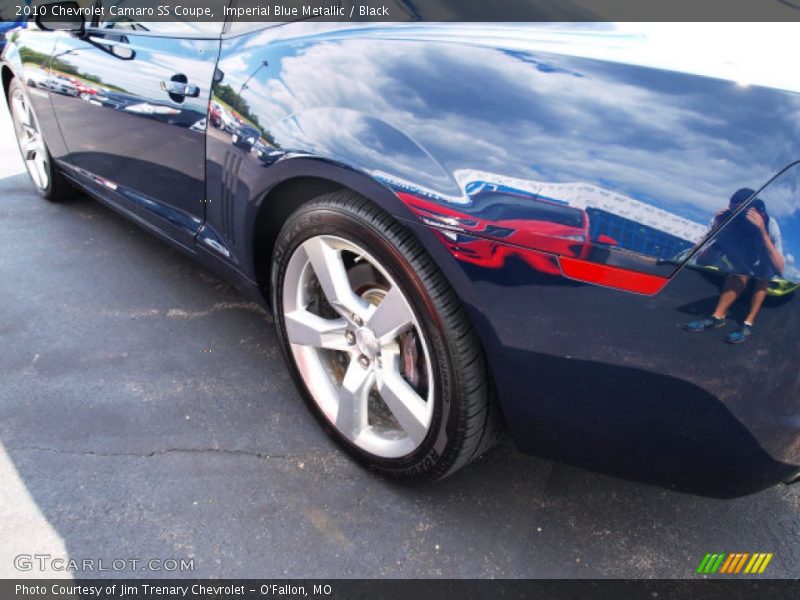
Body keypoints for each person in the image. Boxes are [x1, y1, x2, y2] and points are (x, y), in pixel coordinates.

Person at [685, 188, 785, 344]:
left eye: (741, 214)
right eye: (734, 213)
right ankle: (718, 317)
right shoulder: (725, 219)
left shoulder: (769, 224)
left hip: (762, 258)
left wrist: (762, 231)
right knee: (739, 272)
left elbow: (779, 269)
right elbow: (700, 260)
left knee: (763, 278)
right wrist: (718, 232)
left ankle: (748, 322)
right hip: (740, 260)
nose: (739, 219)